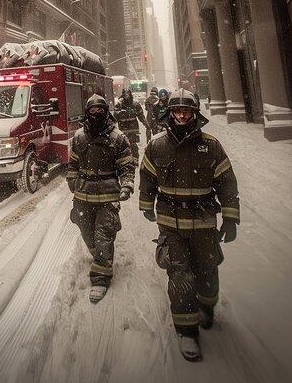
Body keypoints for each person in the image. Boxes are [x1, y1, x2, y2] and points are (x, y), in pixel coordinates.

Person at [139, 88, 240, 362]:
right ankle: (187, 331)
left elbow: (227, 184)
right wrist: (146, 205)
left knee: (207, 269)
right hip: (170, 225)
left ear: (195, 113)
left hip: (204, 223)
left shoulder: (212, 146)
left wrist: (230, 218)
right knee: (180, 275)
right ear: (170, 114)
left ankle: (208, 305)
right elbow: (147, 178)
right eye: (177, 111)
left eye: (187, 111)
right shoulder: (156, 146)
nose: (182, 115)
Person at [67, 94, 135, 303]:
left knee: (103, 234)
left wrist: (127, 185)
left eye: (100, 110)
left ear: (106, 111)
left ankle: (100, 278)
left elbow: (126, 167)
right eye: (92, 111)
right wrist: (72, 181)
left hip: (108, 195)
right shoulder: (79, 137)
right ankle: (100, 254)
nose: (96, 115)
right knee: (87, 230)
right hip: (83, 194)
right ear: (88, 113)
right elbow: (73, 164)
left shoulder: (118, 138)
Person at [114, 88, 148, 168]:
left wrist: (146, 123)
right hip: (123, 130)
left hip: (133, 130)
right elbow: (115, 116)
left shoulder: (135, 104)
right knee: (124, 147)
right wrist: (121, 113)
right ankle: (125, 162)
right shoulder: (119, 104)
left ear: (130, 94)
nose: (126, 96)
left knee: (133, 146)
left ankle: (135, 161)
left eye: (127, 94)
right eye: (124, 94)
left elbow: (140, 115)